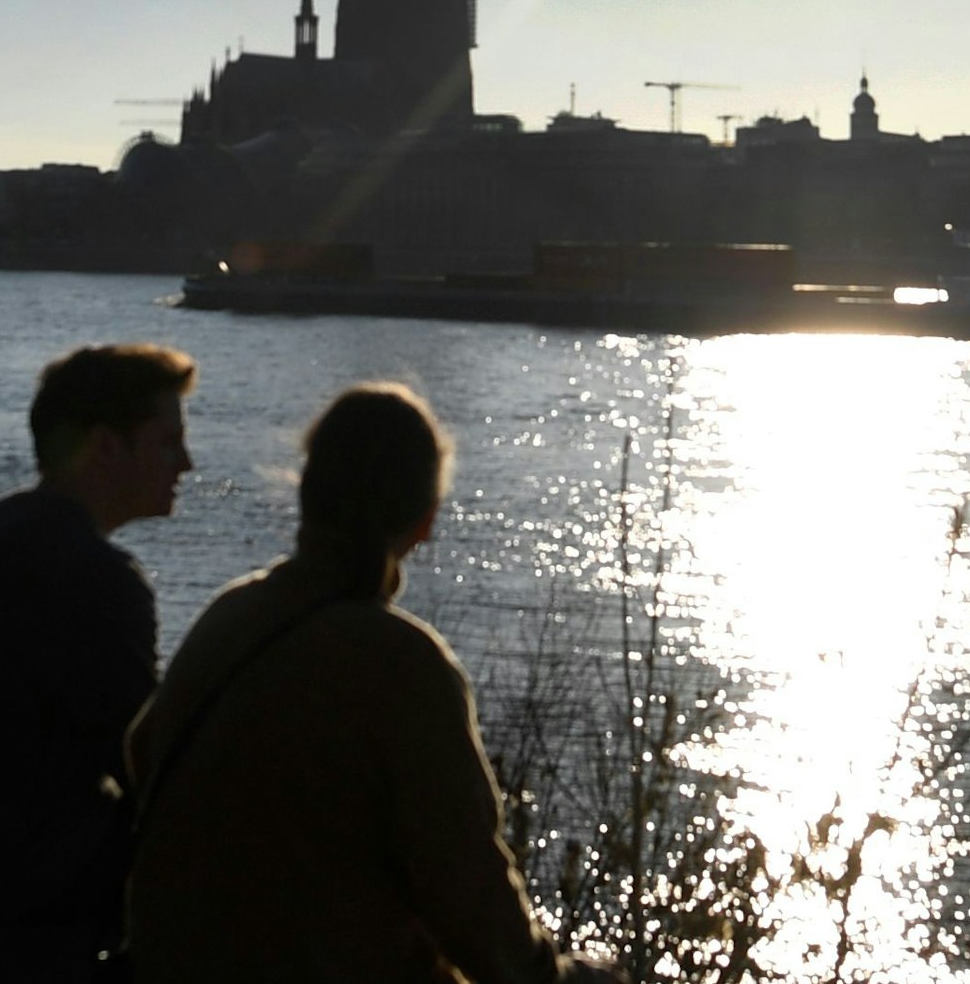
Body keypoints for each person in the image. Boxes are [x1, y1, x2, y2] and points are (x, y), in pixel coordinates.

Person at [125, 384, 624, 984]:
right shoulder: (404, 665)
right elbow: (469, 894)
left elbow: (141, 753)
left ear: (306, 495)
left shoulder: (230, 616)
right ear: (423, 522)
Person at [0, 342, 196, 970]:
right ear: (106, 447)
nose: (186, 463)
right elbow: (146, 761)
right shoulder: (94, 575)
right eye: (168, 442)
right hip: (3, 868)